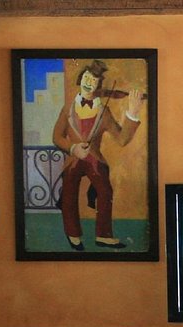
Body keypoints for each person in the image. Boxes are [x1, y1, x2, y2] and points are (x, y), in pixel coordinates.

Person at [52, 59, 145, 251]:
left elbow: (122, 139)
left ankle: (103, 235)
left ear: (97, 86)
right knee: (69, 192)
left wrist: (132, 113)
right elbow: (56, 137)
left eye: (94, 81)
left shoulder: (104, 112)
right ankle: (72, 233)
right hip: (74, 159)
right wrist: (73, 148)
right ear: (81, 79)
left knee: (105, 192)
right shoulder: (68, 109)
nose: (89, 83)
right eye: (87, 78)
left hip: (94, 159)